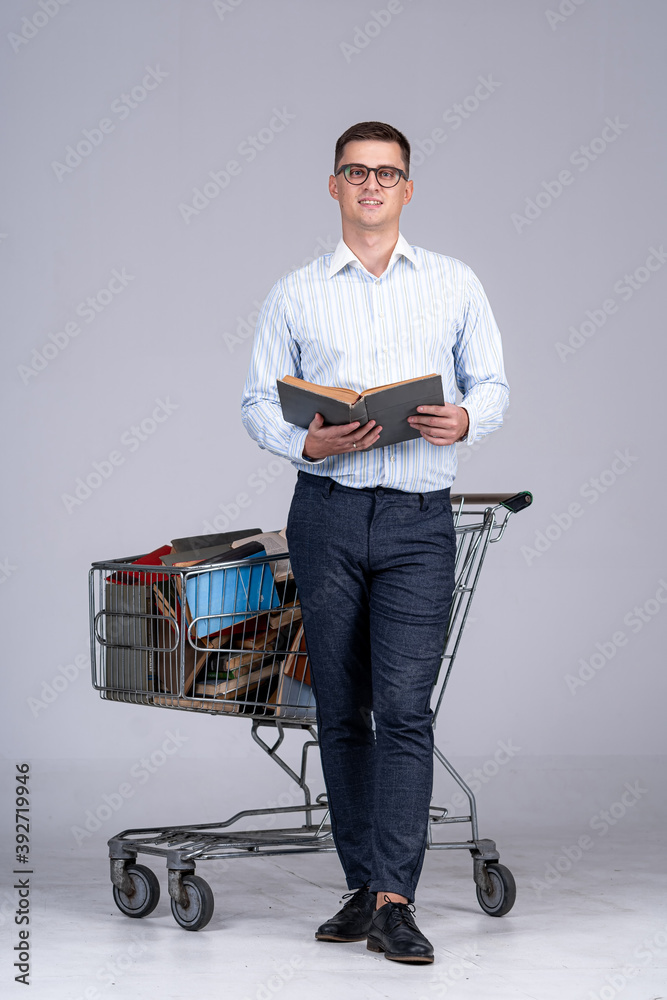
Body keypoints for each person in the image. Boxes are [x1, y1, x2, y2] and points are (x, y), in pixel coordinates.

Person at [241, 121, 509, 964]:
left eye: (385, 174)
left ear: (406, 189)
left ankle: (397, 898)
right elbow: (255, 402)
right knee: (340, 713)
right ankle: (363, 886)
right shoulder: (294, 292)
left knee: (402, 711)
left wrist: (465, 416)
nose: (370, 186)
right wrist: (305, 443)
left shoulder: (454, 283)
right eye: (354, 172)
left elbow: (493, 382)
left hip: (417, 520)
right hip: (323, 513)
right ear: (333, 186)